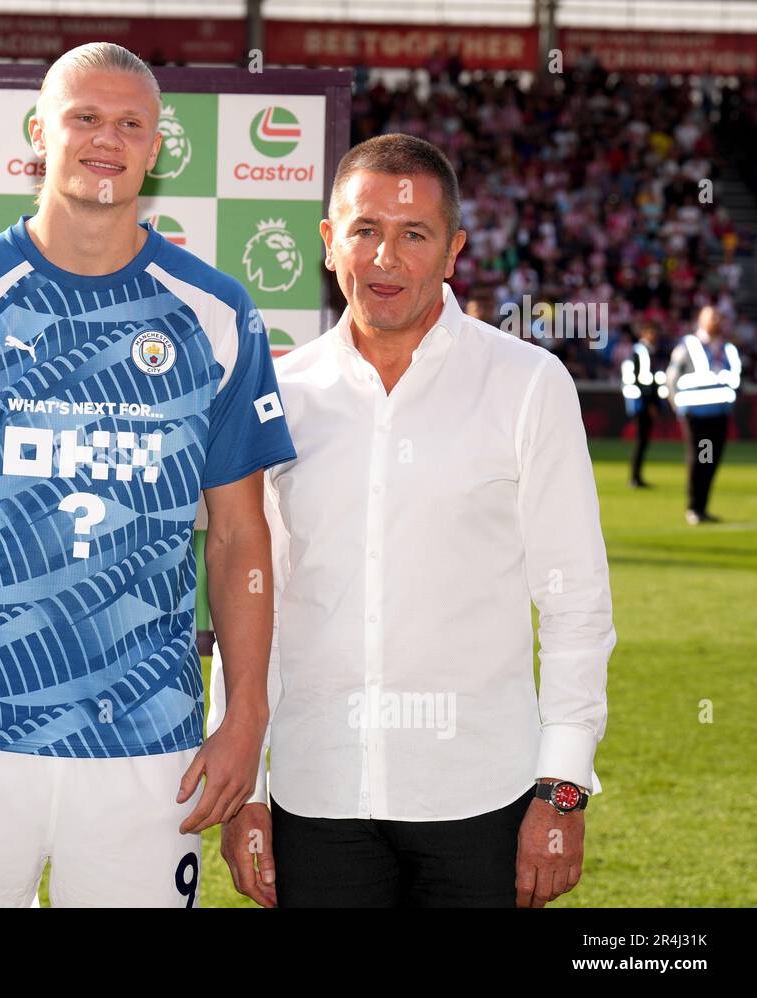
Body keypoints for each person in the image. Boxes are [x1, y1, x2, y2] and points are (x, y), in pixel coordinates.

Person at [0, 42, 294, 907]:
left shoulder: (215, 312)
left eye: (131, 124)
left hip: (149, 746)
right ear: (40, 133)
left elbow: (240, 536)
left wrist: (245, 713)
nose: (109, 140)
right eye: (86, 118)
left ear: (156, 149)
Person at [215, 133, 615, 908]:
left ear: (453, 251)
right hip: (315, 794)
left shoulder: (529, 384)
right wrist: (247, 788)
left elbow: (575, 602)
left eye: (414, 234)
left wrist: (562, 787)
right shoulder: (279, 394)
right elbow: (246, 602)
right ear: (331, 243)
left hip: (480, 795)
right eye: (364, 230)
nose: (385, 258)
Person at [666, 305, 742, 524]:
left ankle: (702, 507)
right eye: (712, 317)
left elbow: (735, 377)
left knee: (711, 460)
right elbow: (672, 376)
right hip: (697, 415)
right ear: (701, 320)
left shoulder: (727, 348)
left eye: (719, 317)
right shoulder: (688, 346)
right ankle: (695, 507)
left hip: (718, 414)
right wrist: (677, 405)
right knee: (701, 458)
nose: (716, 321)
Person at [622, 319, 668, 488]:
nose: (654, 335)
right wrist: (650, 404)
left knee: (643, 441)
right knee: (641, 441)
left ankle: (637, 476)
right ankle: (635, 477)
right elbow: (641, 381)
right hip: (641, 403)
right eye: (651, 332)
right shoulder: (640, 353)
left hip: (645, 402)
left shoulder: (650, 352)